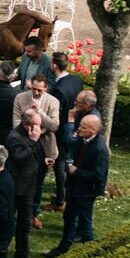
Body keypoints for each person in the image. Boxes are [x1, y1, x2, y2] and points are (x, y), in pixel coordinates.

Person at [47, 112, 110, 255]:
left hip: (87, 191)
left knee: (85, 223)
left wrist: (76, 171)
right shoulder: (83, 140)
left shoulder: (99, 149)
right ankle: (63, 248)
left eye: (83, 127)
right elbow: (70, 142)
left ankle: (92, 253)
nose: (79, 129)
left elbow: (99, 176)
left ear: (93, 130)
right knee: (69, 218)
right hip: (74, 187)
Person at [12, 73, 61, 226]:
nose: (36, 92)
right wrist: (33, 131)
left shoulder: (53, 102)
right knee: (21, 177)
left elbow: (54, 125)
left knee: (38, 181)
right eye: (34, 89)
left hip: (44, 147)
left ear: (46, 88)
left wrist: (40, 113)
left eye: (40, 90)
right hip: (25, 144)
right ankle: (17, 210)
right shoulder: (20, 98)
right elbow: (15, 122)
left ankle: (34, 213)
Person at [4, 113, 44, 258]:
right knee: (9, 222)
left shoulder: (30, 133)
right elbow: (19, 157)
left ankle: (22, 257)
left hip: (28, 186)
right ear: (27, 125)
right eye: (37, 125)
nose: (39, 129)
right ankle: (5, 254)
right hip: (17, 187)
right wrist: (33, 141)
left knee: (25, 224)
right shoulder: (14, 136)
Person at [49, 51, 84, 209]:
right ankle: (64, 193)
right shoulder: (77, 80)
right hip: (75, 127)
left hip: (62, 131)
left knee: (59, 165)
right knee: (69, 161)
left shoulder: (59, 89)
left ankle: (60, 200)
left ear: (54, 65)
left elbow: (57, 113)